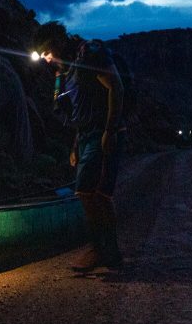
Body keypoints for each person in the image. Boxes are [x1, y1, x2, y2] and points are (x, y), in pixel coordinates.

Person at [34, 23, 125, 272]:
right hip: (86, 135)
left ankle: (100, 249)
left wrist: (110, 131)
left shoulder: (90, 54)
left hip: (101, 132)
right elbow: (78, 111)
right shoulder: (68, 70)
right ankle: (109, 252)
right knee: (94, 193)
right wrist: (76, 145)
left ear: (57, 42)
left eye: (47, 53)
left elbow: (115, 87)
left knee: (91, 191)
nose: (48, 60)